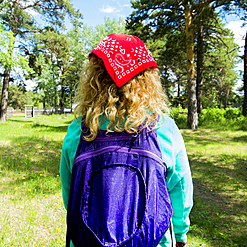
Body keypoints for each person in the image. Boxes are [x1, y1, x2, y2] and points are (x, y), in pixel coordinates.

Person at [60, 33, 193, 247]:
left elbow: (71, 195)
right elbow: (180, 191)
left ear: (94, 78)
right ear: (147, 78)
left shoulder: (78, 131)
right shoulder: (164, 128)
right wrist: (180, 234)